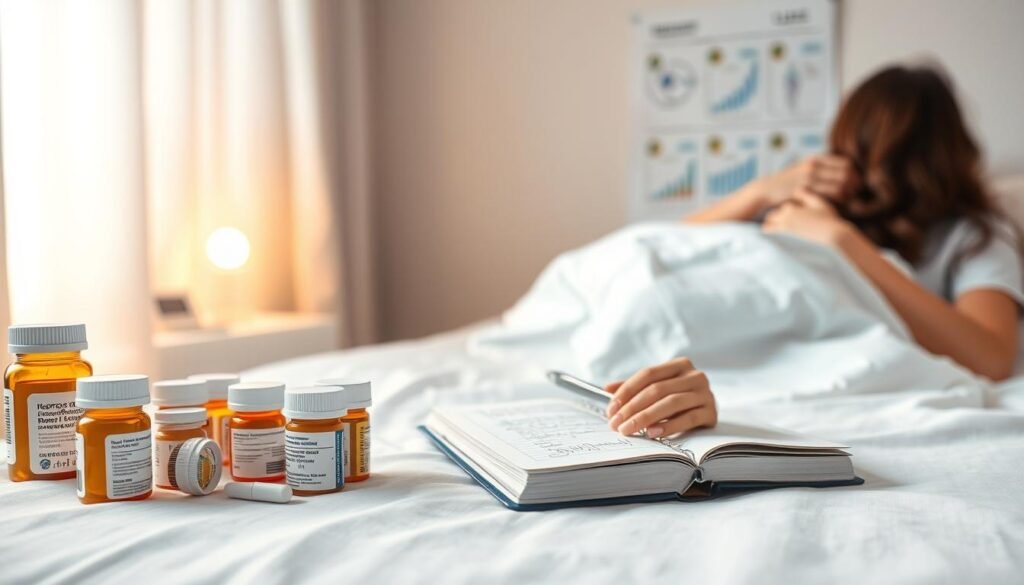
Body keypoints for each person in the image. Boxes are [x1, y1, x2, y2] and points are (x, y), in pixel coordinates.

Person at [608, 64, 1021, 438]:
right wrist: (758, 194)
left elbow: (990, 356)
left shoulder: (972, 234)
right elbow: (651, 253)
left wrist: (843, 243)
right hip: (753, 373)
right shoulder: (804, 208)